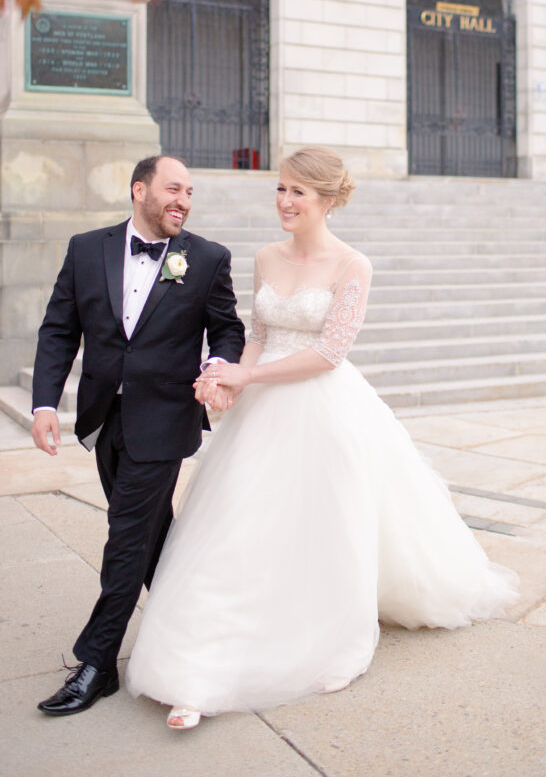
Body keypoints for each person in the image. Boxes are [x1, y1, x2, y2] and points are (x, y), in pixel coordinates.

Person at [126, 146, 519, 730]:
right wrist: (226, 377)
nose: (284, 201)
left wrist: (249, 374)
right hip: (261, 412)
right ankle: (199, 666)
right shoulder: (264, 257)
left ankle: (325, 635)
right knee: (237, 528)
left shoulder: (352, 266)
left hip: (323, 409)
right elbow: (258, 334)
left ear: (328, 201)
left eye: (297, 192)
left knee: (324, 529)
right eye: (280, 189)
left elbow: (330, 353)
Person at [31, 154, 245, 717]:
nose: (184, 201)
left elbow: (227, 328)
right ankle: (199, 633)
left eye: (191, 193)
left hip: (165, 420)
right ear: (139, 191)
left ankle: (97, 662)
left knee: (126, 536)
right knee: (151, 536)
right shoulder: (86, 249)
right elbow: (59, 327)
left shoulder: (206, 258)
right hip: (104, 419)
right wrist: (46, 402)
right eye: (174, 189)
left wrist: (218, 368)